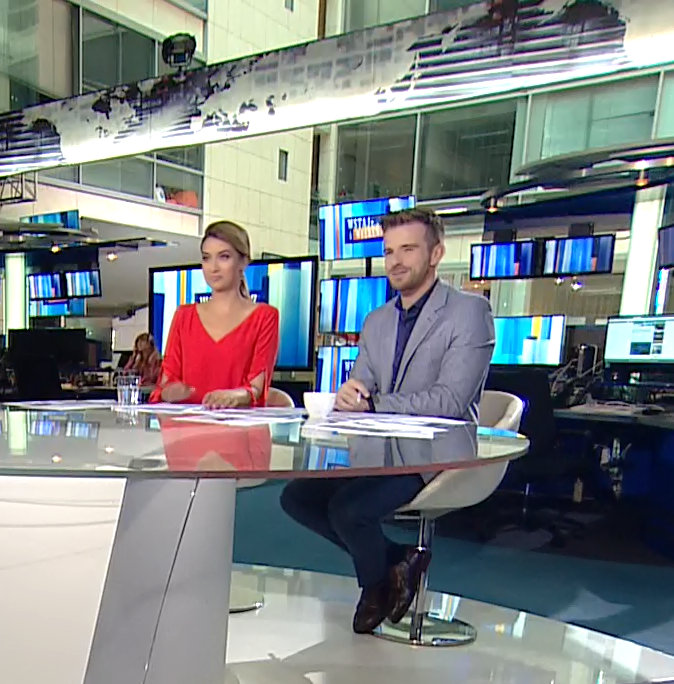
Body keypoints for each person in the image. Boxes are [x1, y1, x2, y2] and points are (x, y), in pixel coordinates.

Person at [279, 206, 494, 635]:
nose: (395, 261)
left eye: (408, 249)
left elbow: (451, 401)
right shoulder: (377, 321)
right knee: (297, 497)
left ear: (436, 254)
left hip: (437, 452)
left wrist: (375, 404)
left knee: (349, 510)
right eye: (389, 251)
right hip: (380, 449)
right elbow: (364, 384)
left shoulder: (469, 312)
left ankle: (375, 585)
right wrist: (351, 393)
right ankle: (395, 561)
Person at [153, 220, 279, 408]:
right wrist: (172, 392)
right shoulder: (184, 316)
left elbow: (256, 388)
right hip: (188, 423)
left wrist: (236, 396)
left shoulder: (265, 317)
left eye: (224, 257)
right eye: (206, 258)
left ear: (243, 262)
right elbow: (166, 382)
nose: (213, 267)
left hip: (237, 424)